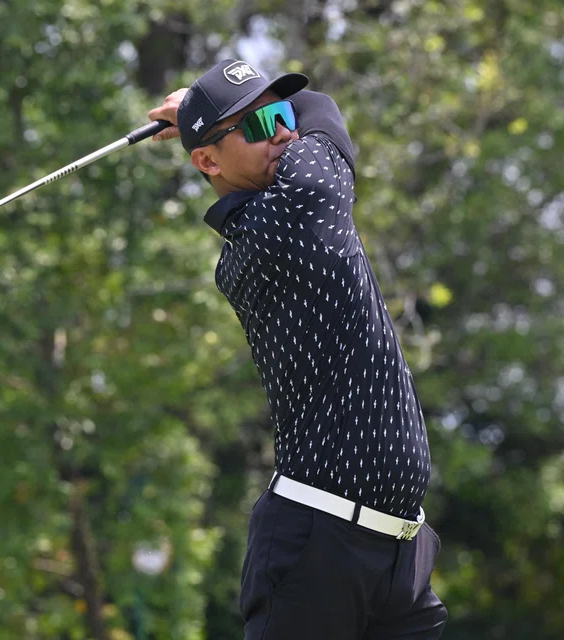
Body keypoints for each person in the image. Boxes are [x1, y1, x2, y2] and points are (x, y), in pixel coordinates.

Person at [147, 59, 448, 639]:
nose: (282, 132)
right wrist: (190, 104)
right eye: (257, 126)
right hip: (318, 546)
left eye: (280, 114)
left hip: (399, 551)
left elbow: (307, 115)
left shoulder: (282, 208)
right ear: (207, 162)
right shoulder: (293, 208)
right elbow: (325, 113)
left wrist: (200, 115)